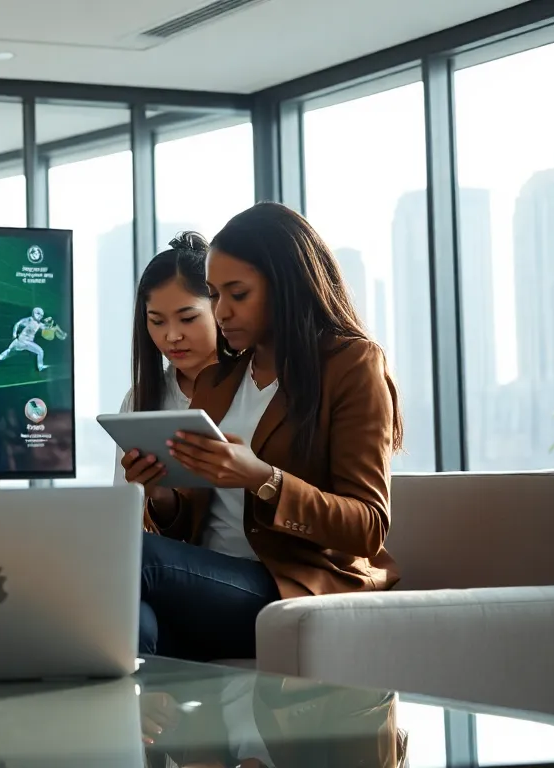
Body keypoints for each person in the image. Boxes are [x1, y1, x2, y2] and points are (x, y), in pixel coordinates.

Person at [120, 202, 402, 662]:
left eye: (238, 294)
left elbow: (368, 527)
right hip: (214, 583)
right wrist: (163, 494)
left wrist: (262, 478)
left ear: (285, 286)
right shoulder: (221, 378)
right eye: (214, 295)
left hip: (292, 582)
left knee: (134, 558)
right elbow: (191, 524)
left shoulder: (351, 365)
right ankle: (143, 733)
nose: (222, 311)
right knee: (133, 622)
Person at [113, 231, 232, 488]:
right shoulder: (139, 399)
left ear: (219, 308)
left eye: (188, 318)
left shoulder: (256, 387)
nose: (172, 336)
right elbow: (124, 504)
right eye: (157, 321)